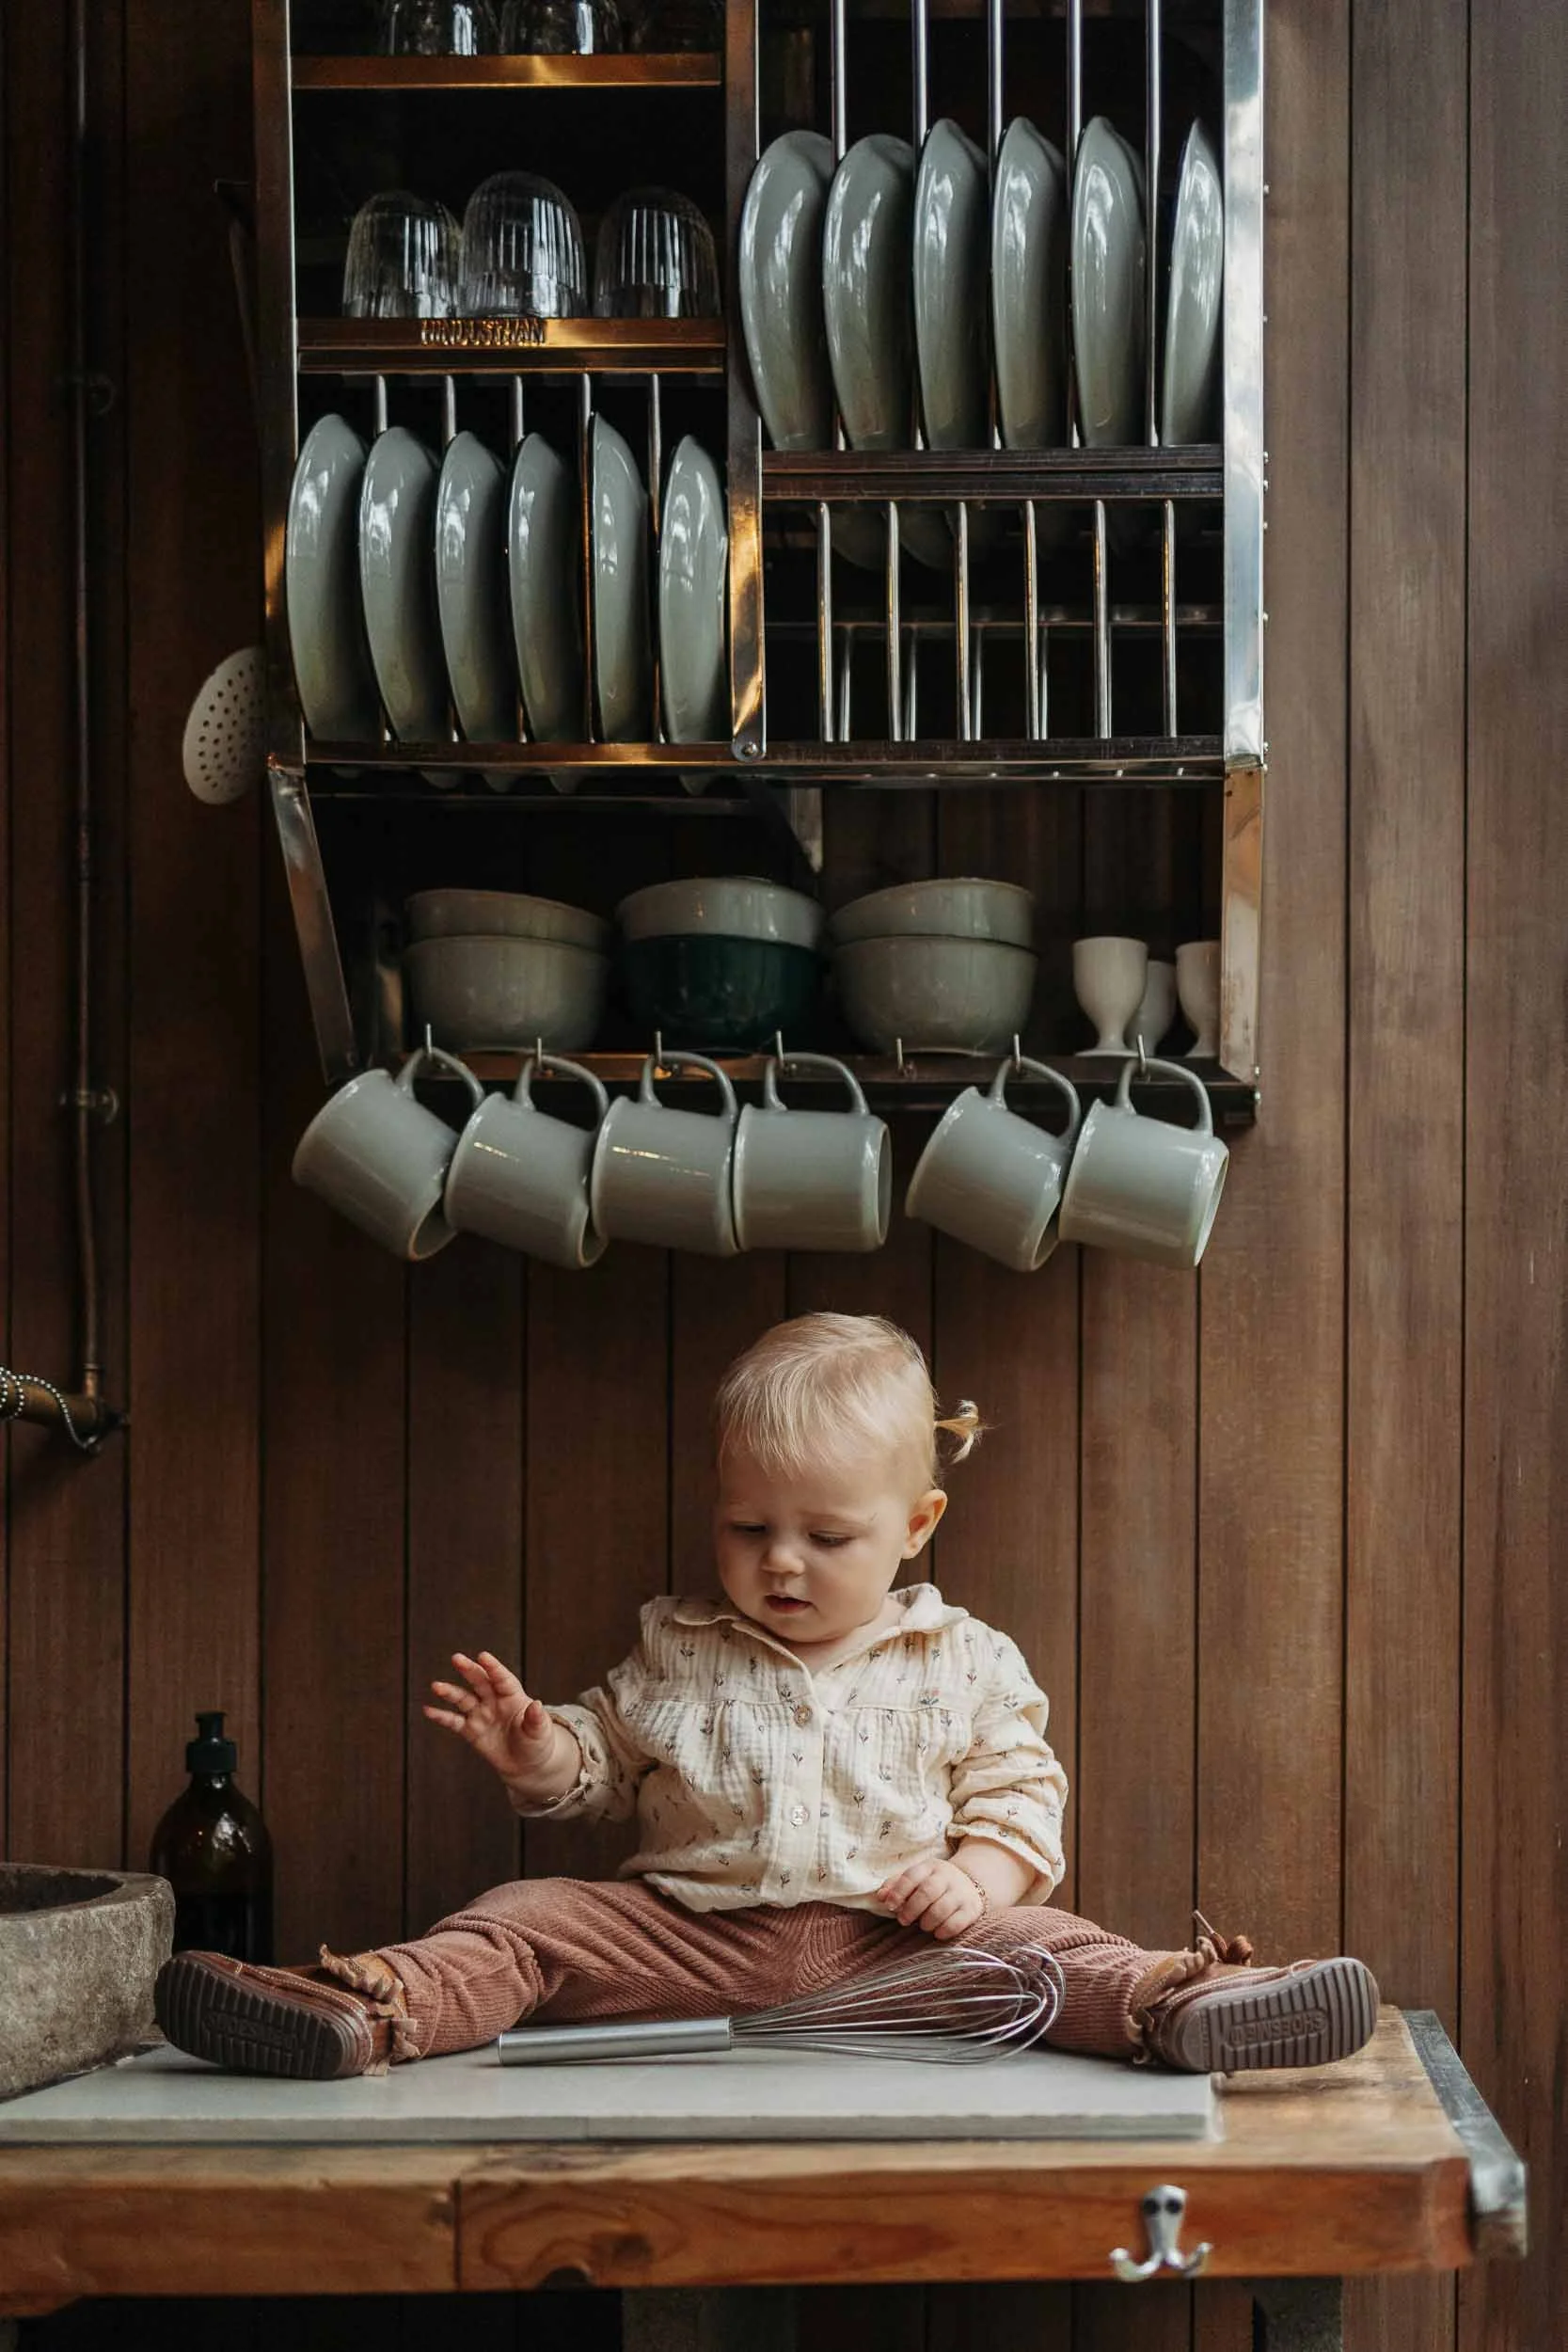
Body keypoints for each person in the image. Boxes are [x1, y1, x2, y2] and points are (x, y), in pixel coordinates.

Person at [155, 1312, 1378, 2083]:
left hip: (897, 1950)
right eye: (749, 1527)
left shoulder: (961, 1660)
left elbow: (1021, 1796)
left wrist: (977, 1882)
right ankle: (360, 2012)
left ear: (914, 1526)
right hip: (686, 1937)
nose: (780, 1562)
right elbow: (598, 1771)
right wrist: (535, 1749)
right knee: (522, 1914)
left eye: (824, 1536)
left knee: (1062, 1955)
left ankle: (1197, 2006)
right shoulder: (681, 1646)